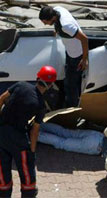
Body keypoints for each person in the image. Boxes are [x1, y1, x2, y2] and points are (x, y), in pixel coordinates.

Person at [0, 66, 57, 198]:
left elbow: (1, 98)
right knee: (27, 168)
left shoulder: (20, 85)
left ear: (38, 77)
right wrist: (32, 150)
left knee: (2, 169)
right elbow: (35, 130)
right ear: (51, 85)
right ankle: (28, 193)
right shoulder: (41, 105)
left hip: (1, 134)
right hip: (18, 138)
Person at [39, 6, 88, 107]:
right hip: (69, 51)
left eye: (45, 22)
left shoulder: (66, 26)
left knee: (70, 84)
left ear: (52, 18)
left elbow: (84, 39)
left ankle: (72, 107)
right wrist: (57, 31)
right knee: (69, 79)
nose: (44, 24)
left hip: (76, 56)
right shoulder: (57, 9)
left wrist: (84, 59)